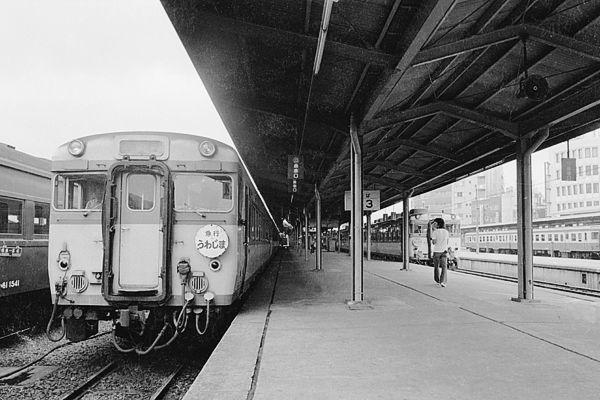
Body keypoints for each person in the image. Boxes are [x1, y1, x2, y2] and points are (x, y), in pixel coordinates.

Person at [430, 217, 450, 287]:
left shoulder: (435, 232)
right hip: (444, 251)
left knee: (436, 267)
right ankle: (442, 282)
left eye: (435, 223)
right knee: (444, 267)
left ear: (438, 224)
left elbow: (434, 242)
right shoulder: (446, 232)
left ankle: (437, 280)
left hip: (437, 251)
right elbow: (447, 242)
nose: (434, 224)